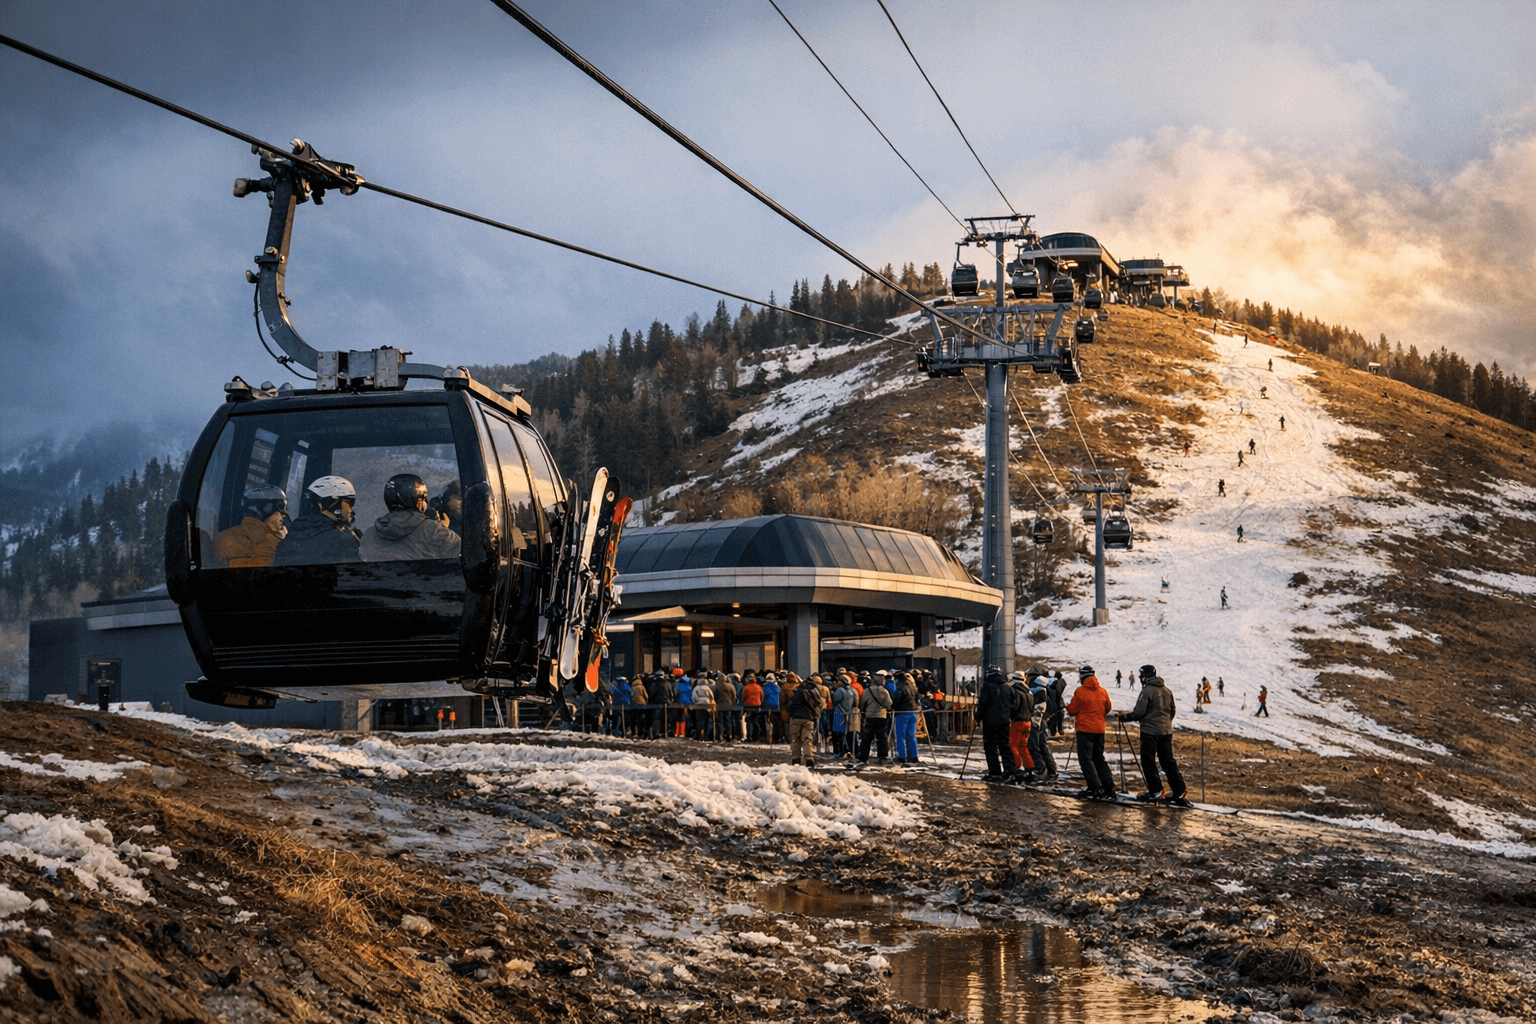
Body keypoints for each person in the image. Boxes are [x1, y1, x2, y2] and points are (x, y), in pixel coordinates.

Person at [1118, 664, 1188, 805]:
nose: (1140, 678)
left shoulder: (1147, 691)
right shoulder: (1167, 691)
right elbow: (1172, 711)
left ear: (1145, 676)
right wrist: (1165, 723)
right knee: (1168, 761)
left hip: (1150, 732)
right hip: (1166, 731)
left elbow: (1139, 712)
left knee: (1148, 761)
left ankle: (1156, 791)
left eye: (1141, 675)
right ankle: (1179, 790)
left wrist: (1124, 717)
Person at [359, 474, 461, 561]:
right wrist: (442, 529)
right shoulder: (434, 531)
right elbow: (461, 556)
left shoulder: (369, 534)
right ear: (419, 503)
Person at [275, 476, 360, 565]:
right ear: (332, 504)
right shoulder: (343, 540)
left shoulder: (291, 536)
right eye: (348, 503)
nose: (351, 510)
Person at [1067, 666, 1115, 800]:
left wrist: (1067, 707)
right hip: (1100, 729)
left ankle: (1095, 788)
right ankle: (1109, 787)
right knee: (1098, 758)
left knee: (1086, 759)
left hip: (1084, 729)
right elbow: (1108, 708)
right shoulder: (1103, 691)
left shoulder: (1080, 691)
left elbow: (1072, 709)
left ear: (1082, 677)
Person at [215, 486, 289, 567]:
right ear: (266, 509)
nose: (283, 515)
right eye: (280, 508)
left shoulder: (223, 536)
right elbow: (265, 563)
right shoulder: (272, 539)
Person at [976, 670, 1017, 783]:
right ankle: (1010, 771)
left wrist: (978, 717)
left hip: (990, 722)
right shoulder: (1008, 688)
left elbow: (983, 704)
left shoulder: (987, 686)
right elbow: (1013, 705)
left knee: (991, 747)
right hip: (1005, 722)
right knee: (1005, 746)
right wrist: (1011, 717)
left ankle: (995, 773)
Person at [854, 673, 893, 766]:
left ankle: (863, 756)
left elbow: (862, 703)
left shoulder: (867, 691)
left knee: (866, 737)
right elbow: (889, 704)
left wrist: (864, 710)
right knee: (882, 737)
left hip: (870, 716)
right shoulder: (884, 691)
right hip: (882, 716)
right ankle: (883, 756)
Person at [786, 669, 822, 767]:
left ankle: (796, 759)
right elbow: (819, 704)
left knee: (795, 739)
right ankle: (809, 758)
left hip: (795, 717)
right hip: (808, 718)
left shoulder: (797, 691)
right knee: (807, 739)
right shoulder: (814, 692)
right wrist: (814, 714)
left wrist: (791, 713)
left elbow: (790, 705)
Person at [1026, 669, 1057, 782]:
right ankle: (1051, 768)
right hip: (1043, 721)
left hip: (1036, 721)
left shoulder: (1036, 691)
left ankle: (1040, 769)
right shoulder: (1045, 690)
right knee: (1042, 745)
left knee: (1034, 745)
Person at [891, 672, 922, 766]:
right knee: (911, 736)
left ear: (897, 678)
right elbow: (917, 698)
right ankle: (913, 757)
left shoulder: (900, 686)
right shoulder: (912, 686)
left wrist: (893, 707)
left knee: (901, 736)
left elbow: (897, 699)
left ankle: (901, 757)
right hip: (914, 712)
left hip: (903, 712)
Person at [690, 673, 715, 741]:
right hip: (707, 705)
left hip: (698, 705)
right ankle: (706, 736)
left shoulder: (696, 688)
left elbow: (694, 697)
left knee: (699, 721)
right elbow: (712, 696)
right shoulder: (708, 688)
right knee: (706, 721)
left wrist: (696, 702)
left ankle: (698, 736)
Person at [742, 673, 764, 742]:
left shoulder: (746, 687)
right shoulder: (759, 687)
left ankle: (749, 737)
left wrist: (743, 703)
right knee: (755, 721)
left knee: (749, 722)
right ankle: (756, 736)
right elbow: (762, 697)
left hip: (748, 706)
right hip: (757, 706)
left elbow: (743, 697)